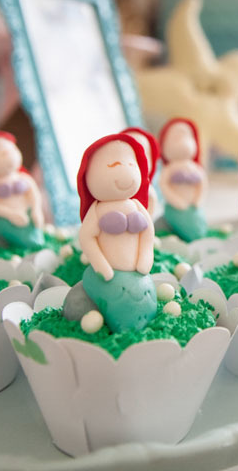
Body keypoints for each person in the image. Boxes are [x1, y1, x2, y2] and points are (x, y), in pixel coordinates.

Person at [76, 133, 158, 332]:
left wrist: (146, 257)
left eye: (131, 165)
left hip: (137, 273)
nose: (125, 172)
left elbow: (148, 234)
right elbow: (86, 237)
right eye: (113, 166)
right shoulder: (97, 210)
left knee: (142, 300)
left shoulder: (137, 206)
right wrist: (100, 264)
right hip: (108, 275)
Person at [0, 131, 46, 250]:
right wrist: (9, 213)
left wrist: (36, 210)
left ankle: (32, 242)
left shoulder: (24, 178)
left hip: (27, 215)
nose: (10, 155)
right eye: (3, 153)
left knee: (35, 237)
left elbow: (35, 195)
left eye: (13, 149)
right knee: (22, 239)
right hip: (4, 219)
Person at [158, 118, 209, 241]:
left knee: (198, 224)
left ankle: (196, 237)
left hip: (193, 206)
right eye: (175, 137)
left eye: (186, 136)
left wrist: (198, 200)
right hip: (175, 207)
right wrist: (176, 201)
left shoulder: (196, 168)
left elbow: (202, 185)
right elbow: (163, 185)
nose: (181, 140)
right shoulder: (169, 169)